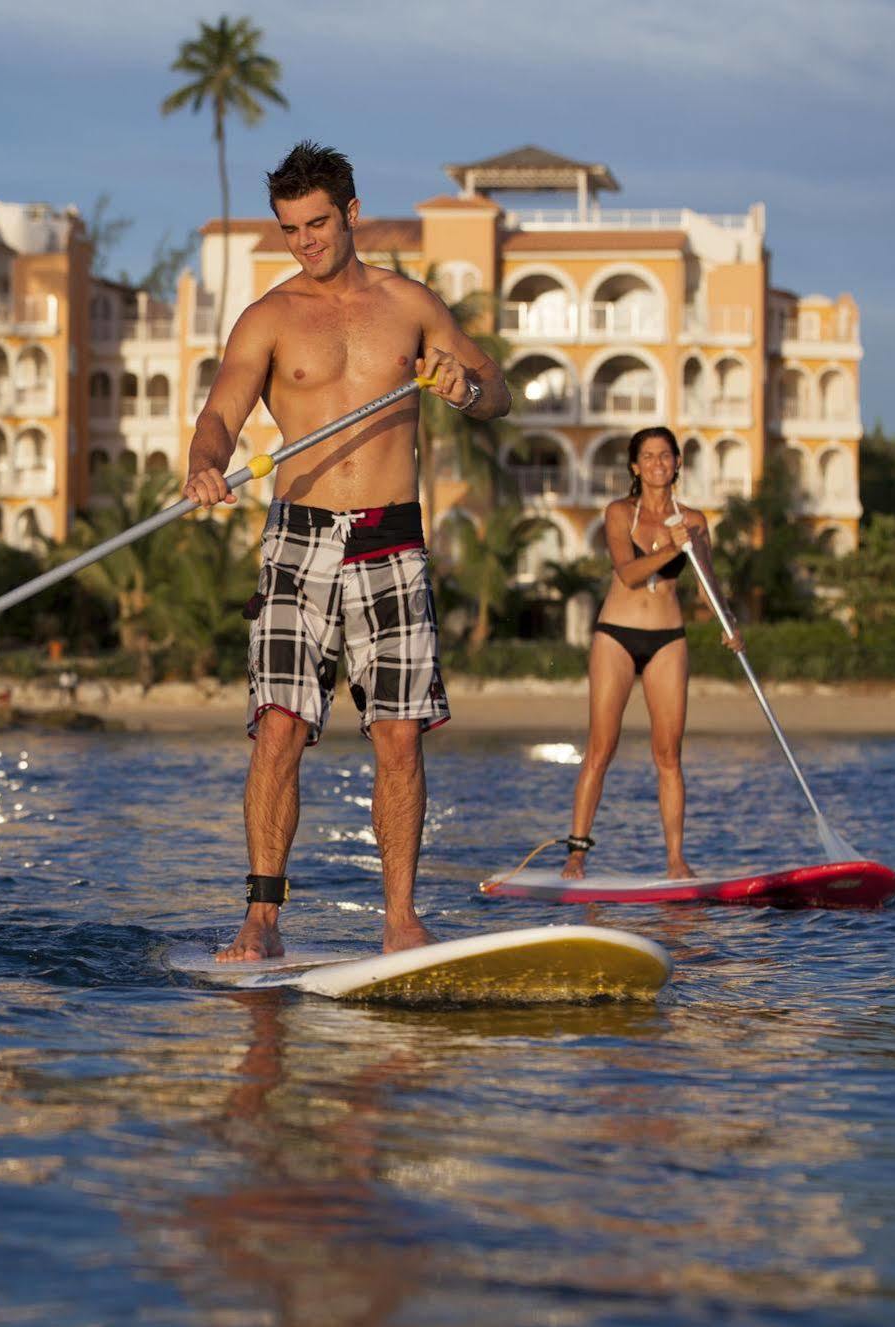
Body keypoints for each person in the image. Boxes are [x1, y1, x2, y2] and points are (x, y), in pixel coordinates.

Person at [181, 141, 511, 961]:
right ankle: (261, 919)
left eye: (318, 223)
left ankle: (399, 919)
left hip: (391, 538)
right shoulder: (268, 317)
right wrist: (201, 464)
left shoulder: (411, 304)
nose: (305, 241)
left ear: (352, 213)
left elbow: (494, 391)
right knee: (280, 727)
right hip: (298, 537)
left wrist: (461, 387)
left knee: (398, 735)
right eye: (291, 228)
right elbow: (220, 414)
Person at [560, 426, 740, 880]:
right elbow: (628, 573)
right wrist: (668, 549)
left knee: (669, 754)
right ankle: (577, 855)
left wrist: (728, 621)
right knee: (601, 748)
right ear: (635, 467)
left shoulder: (695, 521)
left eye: (666, 455)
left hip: (668, 639)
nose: (658, 463)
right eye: (649, 456)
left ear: (678, 463)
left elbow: (706, 583)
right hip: (616, 636)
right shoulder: (619, 512)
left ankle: (676, 860)